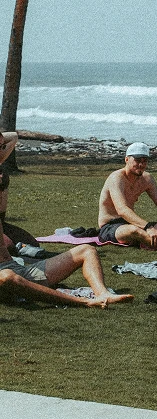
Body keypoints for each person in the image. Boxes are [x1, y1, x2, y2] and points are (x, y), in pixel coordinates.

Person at [0, 132, 132, 308]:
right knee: (8, 277)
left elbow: (12, 137)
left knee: (86, 250)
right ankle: (85, 302)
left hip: (17, 269)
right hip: (5, 277)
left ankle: (103, 293)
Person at [98, 143, 157, 250]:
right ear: (126, 159)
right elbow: (122, 210)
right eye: (137, 160)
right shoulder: (116, 178)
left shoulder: (147, 179)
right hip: (110, 227)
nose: (141, 164)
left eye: (144, 161)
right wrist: (148, 227)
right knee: (135, 231)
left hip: (131, 223)